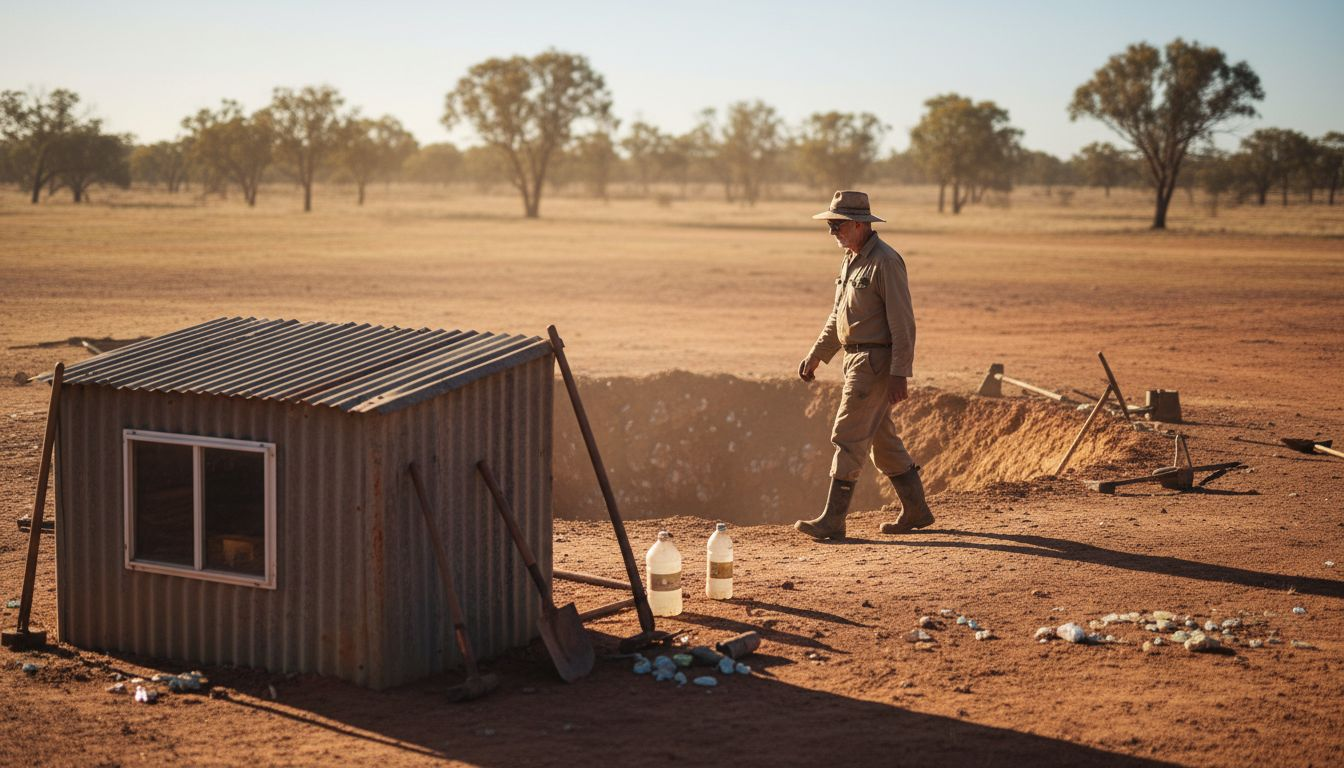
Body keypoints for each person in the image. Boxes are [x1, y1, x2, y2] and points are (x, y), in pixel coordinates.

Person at [794, 190, 934, 539]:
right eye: (830, 225)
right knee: (882, 442)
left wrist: (900, 372)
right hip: (855, 359)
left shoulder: (885, 261)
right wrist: (816, 355)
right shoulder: (852, 259)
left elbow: (903, 324)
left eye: (837, 225)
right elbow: (837, 317)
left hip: (874, 363)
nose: (832, 233)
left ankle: (833, 521)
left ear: (859, 224)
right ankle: (916, 510)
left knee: (848, 435)